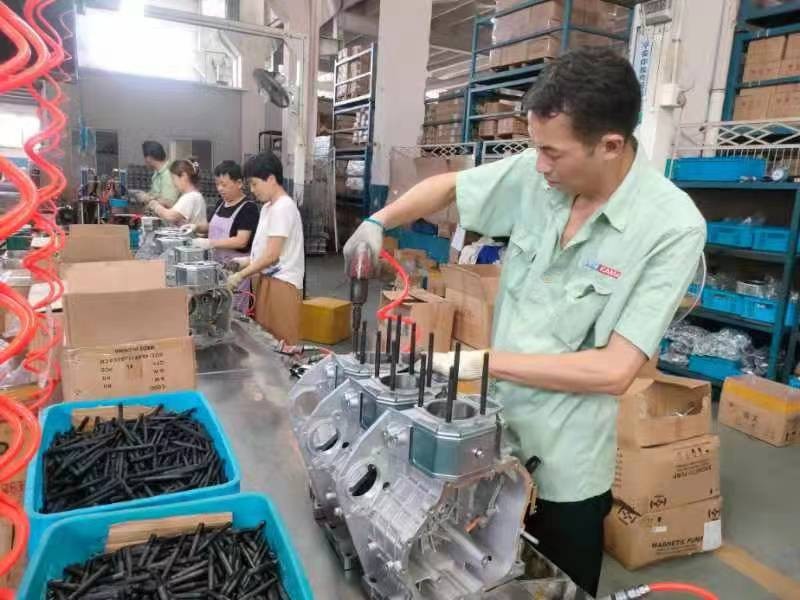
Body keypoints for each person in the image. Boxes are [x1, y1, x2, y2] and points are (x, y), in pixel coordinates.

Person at [341, 48, 705, 596]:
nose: (539, 165)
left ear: (610, 145)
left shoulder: (671, 227)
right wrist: (378, 220)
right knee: (468, 573)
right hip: (492, 434)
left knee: (549, 584)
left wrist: (478, 363)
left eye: (552, 153)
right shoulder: (542, 178)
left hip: (563, 466)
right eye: (536, 148)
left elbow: (614, 370)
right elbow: (449, 187)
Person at [226, 151, 304, 345]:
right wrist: (243, 262)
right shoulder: (269, 208)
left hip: (282, 285)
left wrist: (240, 276)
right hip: (265, 279)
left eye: (254, 184)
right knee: (267, 342)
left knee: (282, 344)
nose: (252, 190)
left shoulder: (283, 207)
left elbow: (272, 256)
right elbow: (265, 251)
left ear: (270, 179)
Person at [192, 160, 260, 310]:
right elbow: (211, 226)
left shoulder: (248, 208)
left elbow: (241, 240)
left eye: (224, 184)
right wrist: (195, 227)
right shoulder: (221, 204)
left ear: (239, 183)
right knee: (214, 308)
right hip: (215, 267)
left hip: (234, 271)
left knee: (232, 311)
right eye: (217, 184)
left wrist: (211, 243)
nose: (220, 189)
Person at [148, 158, 208, 227]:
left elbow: (170, 216)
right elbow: (180, 213)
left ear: (184, 176)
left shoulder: (191, 197)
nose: (173, 183)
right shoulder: (194, 195)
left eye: (174, 178)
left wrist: (155, 205)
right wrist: (166, 204)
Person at [142, 141, 179, 207]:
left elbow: (169, 203)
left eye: (144, 158)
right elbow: (155, 194)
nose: (144, 161)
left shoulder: (167, 174)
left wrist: (148, 199)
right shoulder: (157, 173)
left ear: (148, 158)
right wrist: (146, 195)